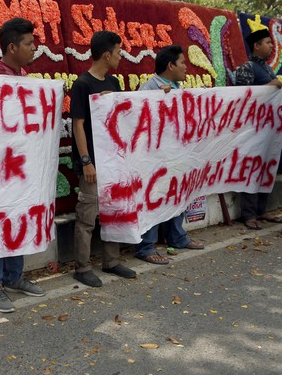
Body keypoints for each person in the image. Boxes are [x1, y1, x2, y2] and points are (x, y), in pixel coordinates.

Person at [0, 17, 46, 312]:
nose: (34, 49)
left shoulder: (24, 78)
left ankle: (14, 277)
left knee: (17, 217)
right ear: (12, 46)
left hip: (19, 167)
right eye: (29, 44)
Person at [69, 30, 138, 288]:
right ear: (107, 54)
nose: (121, 57)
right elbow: (78, 124)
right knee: (87, 216)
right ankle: (82, 267)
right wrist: (86, 161)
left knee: (113, 212)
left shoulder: (115, 83)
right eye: (119, 53)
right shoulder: (82, 84)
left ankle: (111, 261)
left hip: (114, 160)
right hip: (94, 163)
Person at [134, 45, 205, 264]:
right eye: (182, 62)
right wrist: (157, 98)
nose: (186, 67)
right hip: (155, 158)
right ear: (170, 65)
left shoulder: (178, 89)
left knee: (177, 194)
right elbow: (138, 118)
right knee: (153, 198)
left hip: (177, 153)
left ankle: (177, 237)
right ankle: (146, 247)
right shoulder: (148, 90)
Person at [233, 28, 282, 230]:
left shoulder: (266, 68)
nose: (271, 46)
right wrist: (270, 86)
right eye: (267, 43)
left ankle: (261, 209)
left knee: (265, 169)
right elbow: (243, 97)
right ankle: (249, 215)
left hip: (267, 128)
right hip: (252, 130)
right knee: (251, 170)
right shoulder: (247, 68)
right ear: (256, 45)